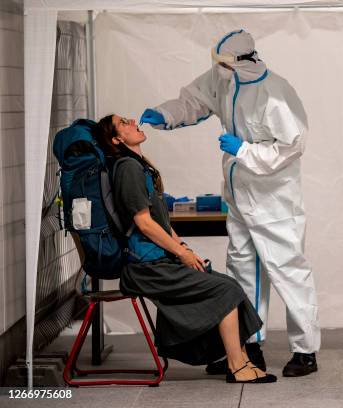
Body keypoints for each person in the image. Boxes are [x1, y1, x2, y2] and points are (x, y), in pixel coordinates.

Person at [139, 29, 320, 377]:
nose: (216, 69)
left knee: (288, 271)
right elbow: (193, 100)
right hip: (238, 198)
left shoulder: (275, 93)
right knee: (241, 271)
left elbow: (292, 146)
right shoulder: (224, 79)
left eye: (222, 64)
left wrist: (245, 151)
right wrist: (164, 114)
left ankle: (305, 350)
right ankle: (248, 347)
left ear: (244, 60)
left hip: (274, 201)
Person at [93, 114, 277, 384]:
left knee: (226, 283)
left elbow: (161, 223)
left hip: (159, 261)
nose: (132, 121)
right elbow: (144, 224)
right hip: (146, 268)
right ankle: (236, 367)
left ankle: (241, 359)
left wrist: (183, 247)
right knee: (225, 290)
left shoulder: (140, 167)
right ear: (117, 140)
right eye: (123, 123)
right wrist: (181, 254)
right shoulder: (128, 169)